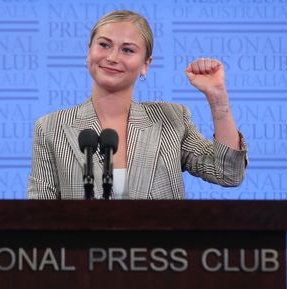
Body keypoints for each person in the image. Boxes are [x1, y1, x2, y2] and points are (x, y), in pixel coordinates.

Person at [27, 10, 247, 200]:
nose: (112, 57)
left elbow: (228, 173)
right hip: (84, 248)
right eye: (104, 45)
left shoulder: (171, 119)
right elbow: (38, 214)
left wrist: (217, 97)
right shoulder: (51, 128)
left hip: (159, 249)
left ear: (145, 64)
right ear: (89, 51)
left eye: (127, 50)